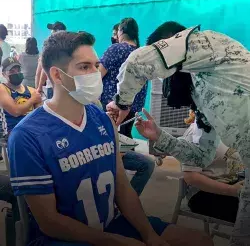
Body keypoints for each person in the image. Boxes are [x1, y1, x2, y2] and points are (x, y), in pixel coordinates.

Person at [8, 31, 213, 246]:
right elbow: (49, 222)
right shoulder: (27, 136)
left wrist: (150, 235)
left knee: (200, 241)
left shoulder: (102, 120)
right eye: (84, 67)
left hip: (111, 223)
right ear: (58, 76)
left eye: (96, 65)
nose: (95, 73)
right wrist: (114, 241)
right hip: (61, 238)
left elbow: (123, 187)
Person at [106, 21, 250, 245]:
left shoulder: (207, 42)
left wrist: (121, 103)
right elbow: (202, 156)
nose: (166, 79)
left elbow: (137, 62)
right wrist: (160, 137)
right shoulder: (204, 93)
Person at [181, 116, 244, 223]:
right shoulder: (197, 133)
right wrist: (232, 190)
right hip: (204, 194)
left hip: (234, 183)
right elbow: (191, 177)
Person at [99, 18, 148, 138]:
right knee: (125, 135)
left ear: (120, 31)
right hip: (134, 105)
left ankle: (117, 156)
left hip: (114, 104)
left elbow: (97, 75)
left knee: (110, 136)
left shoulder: (116, 49)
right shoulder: (141, 52)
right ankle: (127, 156)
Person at [0, 57, 42, 135]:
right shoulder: (2, 89)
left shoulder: (31, 90)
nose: (16, 73)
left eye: (18, 70)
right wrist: (32, 100)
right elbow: (15, 111)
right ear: (3, 74)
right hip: (10, 133)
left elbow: (39, 115)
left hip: (30, 132)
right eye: (12, 71)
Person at [36, 21, 67, 99]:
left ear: (56, 32)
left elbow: (44, 69)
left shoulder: (50, 47)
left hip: (53, 87)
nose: (51, 32)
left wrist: (39, 87)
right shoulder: (68, 47)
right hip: (67, 87)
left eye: (52, 30)